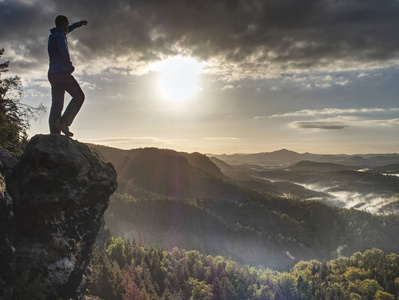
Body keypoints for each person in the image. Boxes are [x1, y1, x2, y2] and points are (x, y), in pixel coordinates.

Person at [47, 15, 88, 137]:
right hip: (62, 73)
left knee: (57, 105)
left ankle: (55, 133)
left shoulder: (54, 35)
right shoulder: (60, 36)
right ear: (64, 24)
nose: (67, 28)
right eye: (67, 25)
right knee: (79, 96)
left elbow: (66, 30)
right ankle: (64, 122)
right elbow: (63, 51)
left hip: (53, 75)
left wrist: (77, 25)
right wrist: (69, 65)